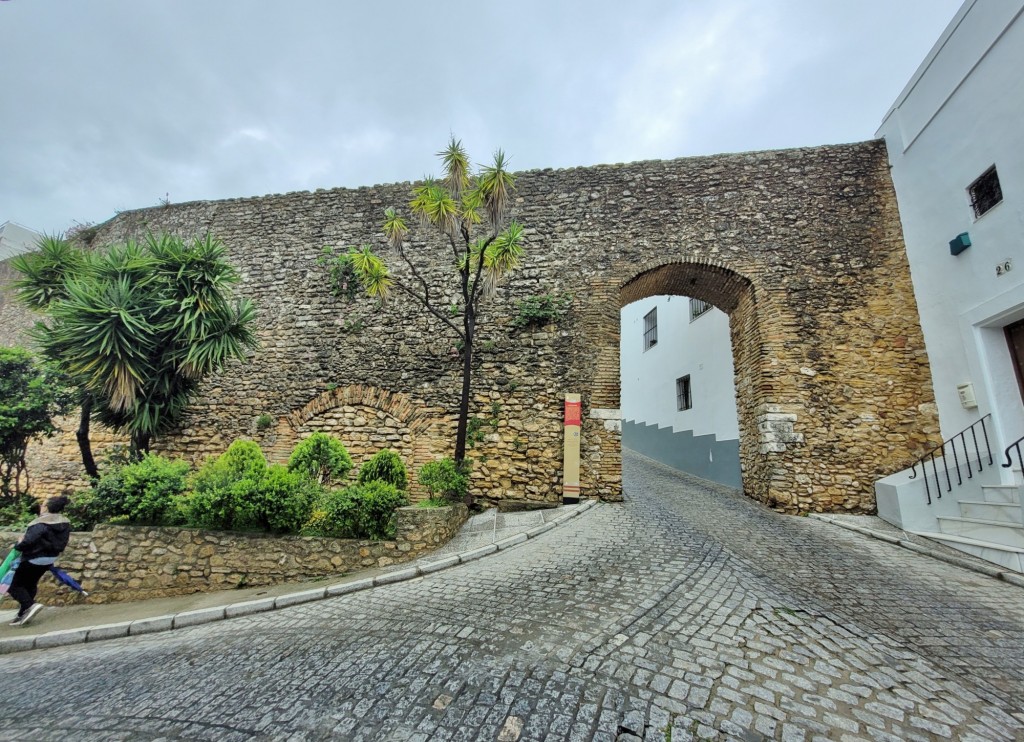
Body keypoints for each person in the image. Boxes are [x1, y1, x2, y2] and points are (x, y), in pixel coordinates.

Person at [8, 495, 71, 627]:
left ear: (46, 508)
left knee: (13, 585)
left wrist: (19, 544)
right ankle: (23, 614)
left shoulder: (40, 523)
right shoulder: (64, 523)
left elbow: (29, 541)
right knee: (30, 584)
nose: (40, 507)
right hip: (49, 559)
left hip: (34, 558)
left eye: (42, 505)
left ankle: (30, 605)